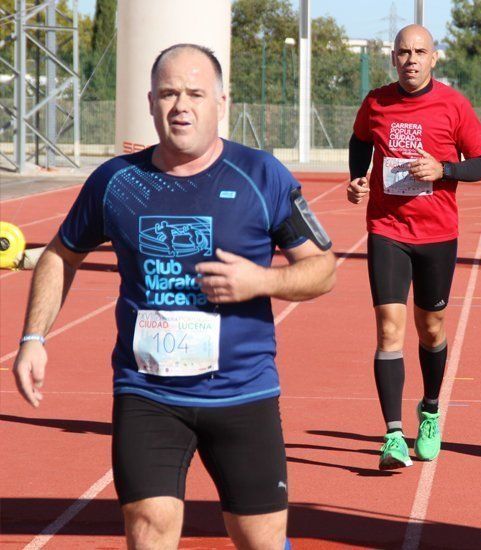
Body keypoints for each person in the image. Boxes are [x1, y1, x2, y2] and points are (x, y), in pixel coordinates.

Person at [12, 44, 336, 548]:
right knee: (149, 528)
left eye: (194, 93)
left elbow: (322, 269)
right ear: (150, 102)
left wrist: (262, 281)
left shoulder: (261, 175)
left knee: (261, 539)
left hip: (242, 393)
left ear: (221, 102)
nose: (180, 105)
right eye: (168, 93)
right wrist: (34, 337)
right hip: (148, 395)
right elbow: (59, 254)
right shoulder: (117, 182)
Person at [346, 24, 481, 470]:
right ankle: (392, 435)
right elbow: (360, 142)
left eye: (419, 51)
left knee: (431, 328)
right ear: (393, 58)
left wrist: (444, 169)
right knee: (389, 328)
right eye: (403, 52)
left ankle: (429, 411)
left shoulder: (453, 104)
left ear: (434, 58)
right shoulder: (376, 101)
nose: (411, 59)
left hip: (437, 234)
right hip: (387, 229)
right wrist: (357, 178)